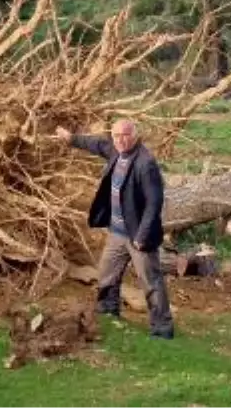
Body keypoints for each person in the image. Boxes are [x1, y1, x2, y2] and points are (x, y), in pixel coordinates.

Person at [54, 119, 174, 339]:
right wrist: (71, 139)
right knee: (107, 274)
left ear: (134, 136)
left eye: (125, 135)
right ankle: (109, 309)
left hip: (139, 235)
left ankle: (162, 328)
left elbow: (154, 203)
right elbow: (97, 145)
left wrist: (142, 236)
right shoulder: (116, 151)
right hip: (118, 232)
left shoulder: (145, 164)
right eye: (117, 135)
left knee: (151, 282)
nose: (120, 139)